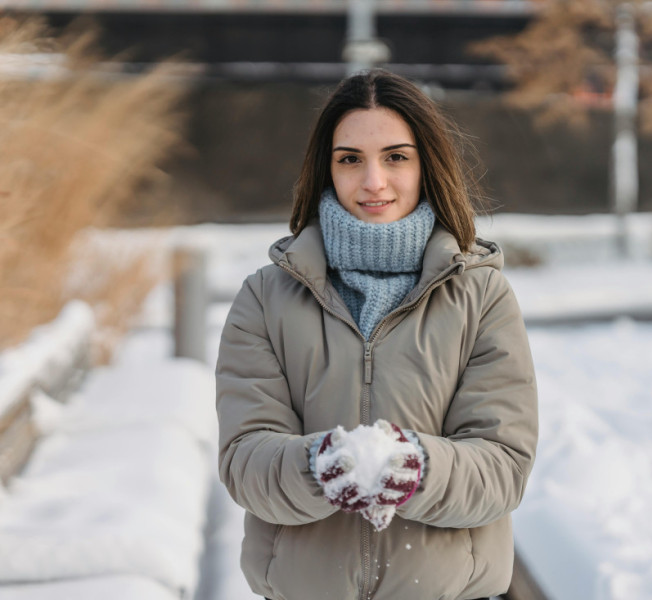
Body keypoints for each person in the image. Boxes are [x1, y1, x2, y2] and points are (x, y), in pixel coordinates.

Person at [215, 69, 538, 600]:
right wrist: (316, 467)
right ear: (326, 169)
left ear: (425, 164)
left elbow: (503, 467)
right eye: (350, 159)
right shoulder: (265, 299)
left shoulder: (483, 297)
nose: (373, 182)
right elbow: (245, 460)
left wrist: (419, 469)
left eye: (395, 157)